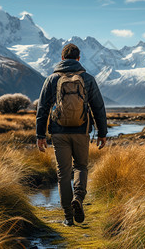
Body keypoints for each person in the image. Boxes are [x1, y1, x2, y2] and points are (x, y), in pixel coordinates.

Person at [36, 43, 107, 227]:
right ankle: (78, 198)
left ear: (61, 58)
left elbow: (42, 108)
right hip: (82, 131)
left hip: (59, 133)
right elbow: (98, 106)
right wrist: (102, 132)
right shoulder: (88, 79)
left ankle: (68, 217)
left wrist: (40, 135)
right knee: (81, 167)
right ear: (78, 58)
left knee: (63, 174)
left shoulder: (51, 79)